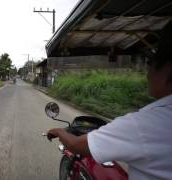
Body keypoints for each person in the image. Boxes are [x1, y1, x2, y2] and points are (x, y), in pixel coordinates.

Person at [47, 22, 172, 180]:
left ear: (168, 69)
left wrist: (59, 131)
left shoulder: (145, 124)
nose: (147, 73)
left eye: (151, 64)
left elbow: (76, 145)